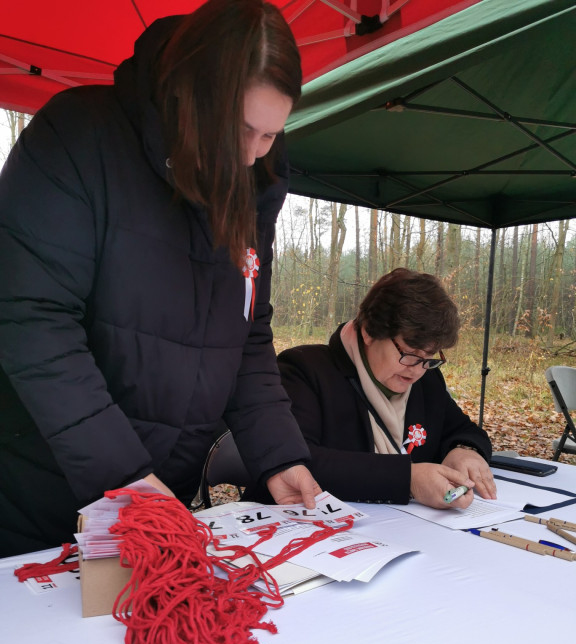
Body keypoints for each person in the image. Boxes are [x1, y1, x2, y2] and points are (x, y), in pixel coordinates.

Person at [0, 0, 321, 557]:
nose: (250, 156)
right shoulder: (78, 137)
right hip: (35, 494)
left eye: (270, 135)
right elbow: (30, 319)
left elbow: (247, 335)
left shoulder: (254, 187)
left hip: (156, 499)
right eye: (241, 130)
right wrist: (120, 474)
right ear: (190, 98)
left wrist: (279, 456)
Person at [274, 268, 496, 510]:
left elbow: (463, 429)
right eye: (409, 352)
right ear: (369, 331)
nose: (417, 370)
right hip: (312, 530)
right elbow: (299, 461)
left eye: (429, 356)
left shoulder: (426, 380)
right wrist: (408, 479)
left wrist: (465, 451)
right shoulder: (305, 370)